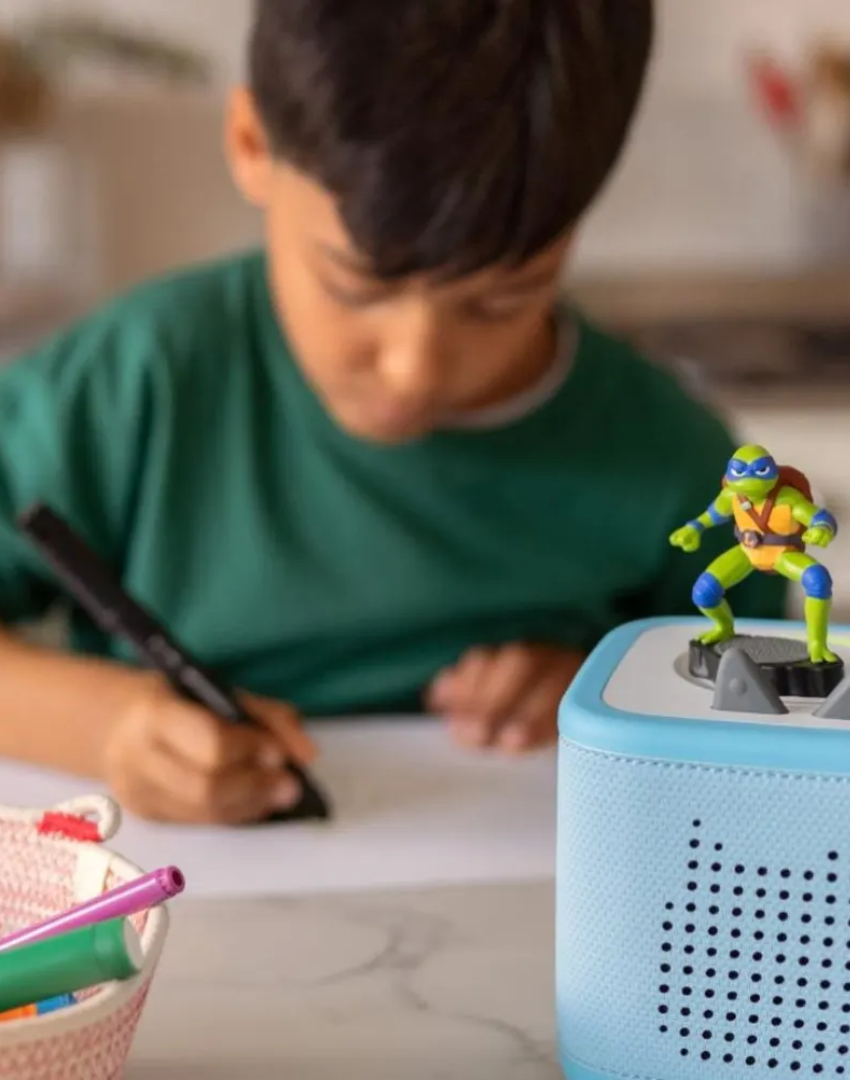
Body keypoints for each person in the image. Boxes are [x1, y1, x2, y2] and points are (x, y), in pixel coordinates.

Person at [0, 0, 784, 825]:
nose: (414, 368)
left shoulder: (673, 460)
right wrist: (105, 727)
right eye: (357, 287)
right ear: (252, 145)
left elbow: (758, 712)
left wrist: (605, 687)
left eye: (500, 302)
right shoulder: (130, 386)